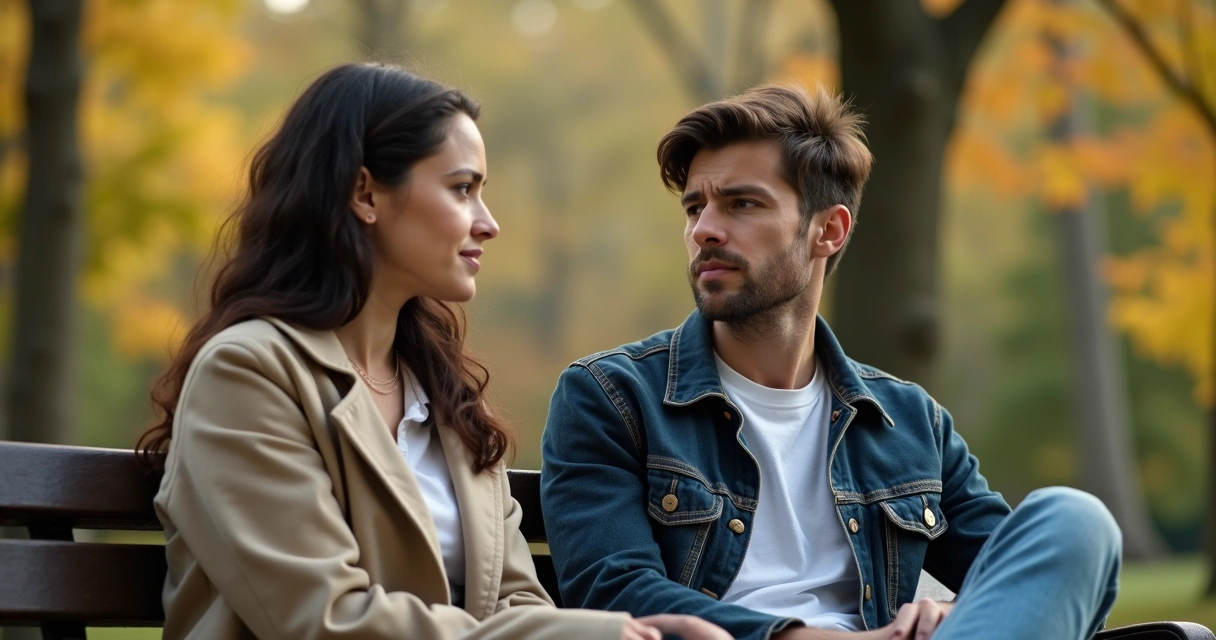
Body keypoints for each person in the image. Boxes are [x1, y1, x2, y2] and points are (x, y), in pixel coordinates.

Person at [138, 62, 728, 640]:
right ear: (365, 193)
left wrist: (636, 631)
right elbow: (323, 620)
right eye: (462, 189)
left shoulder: (445, 397)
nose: (489, 223)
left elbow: (514, 601)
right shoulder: (248, 374)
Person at [539, 83, 1122, 640]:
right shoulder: (611, 397)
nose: (705, 231)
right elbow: (613, 593)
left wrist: (953, 617)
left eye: (742, 204)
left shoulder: (908, 422)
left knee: (1074, 521)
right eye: (695, 208)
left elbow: (1024, 584)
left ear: (828, 230)